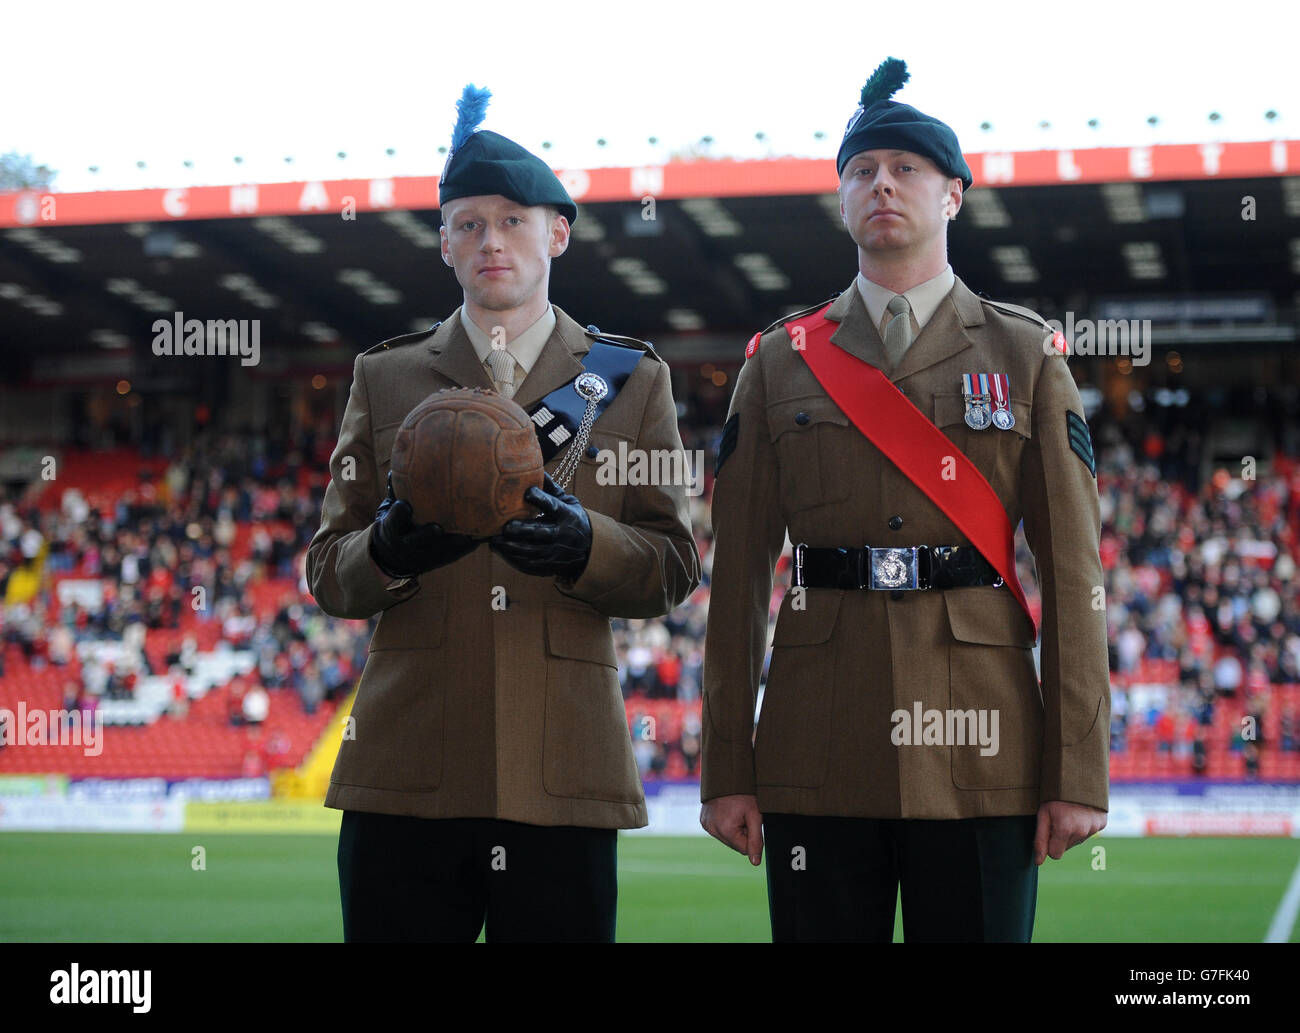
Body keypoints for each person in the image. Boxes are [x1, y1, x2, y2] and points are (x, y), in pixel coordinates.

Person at [699, 58, 1109, 942]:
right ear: (841, 199)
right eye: (860, 171)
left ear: (954, 194)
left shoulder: (1027, 353)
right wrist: (727, 764)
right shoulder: (780, 360)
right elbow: (736, 583)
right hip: (819, 739)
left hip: (984, 743)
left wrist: (1079, 767)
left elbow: (1075, 574)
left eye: (906, 169)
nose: (880, 184)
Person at [306, 85, 700, 943]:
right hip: (408, 765)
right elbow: (326, 568)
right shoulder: (385, 377)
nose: (493, 240)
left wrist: (585, 544)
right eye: (470, 223)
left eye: (514, 220)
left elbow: (673, 565)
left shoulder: (632, 379)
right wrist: (384, 549)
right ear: (443, 243)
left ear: (557, 232)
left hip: (561, 767)